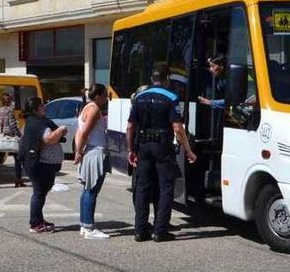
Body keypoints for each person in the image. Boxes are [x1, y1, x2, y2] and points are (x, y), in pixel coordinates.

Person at [126, 65, 197, 242]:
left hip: (143, 147)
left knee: (142, 187)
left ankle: (140, 231)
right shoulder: (171, 96)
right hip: (162, 147)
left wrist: (131, 150)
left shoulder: (139, 97)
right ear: (167, 79)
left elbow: (130, 127)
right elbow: (178, 129)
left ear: (152, 79)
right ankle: (160, 231)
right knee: (166, 188)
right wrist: (188, 151)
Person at [19, 97, 66, 234]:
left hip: (37, 162)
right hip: (40, 163)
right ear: (35, 109)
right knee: (39, 193)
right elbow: (49, 139)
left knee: (41, 192)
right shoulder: (39, 123)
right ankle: (35, 223)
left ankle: (39, 219)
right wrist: (61, 129)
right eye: (42, 105)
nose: (45, 106)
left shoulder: (31, 122)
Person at [73, 83, 111, 240]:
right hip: (95, 151)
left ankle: (84, 224)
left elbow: (79, 132)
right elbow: (84, 133)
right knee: (92, 190)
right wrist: (79, 152)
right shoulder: (94, 109)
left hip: (89, 151)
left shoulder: (86, 108)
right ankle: (89, 227)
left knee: (87, 190)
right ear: (98, 96)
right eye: (104, 95)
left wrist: (79, 151)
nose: (106, 98)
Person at [0, 91, 24, 189]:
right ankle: (18, 179)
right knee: (18, 159)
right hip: (10, 137)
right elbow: (12, 125)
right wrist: (19, 135)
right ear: (10, 101)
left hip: (1, 137)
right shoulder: (9, 110)